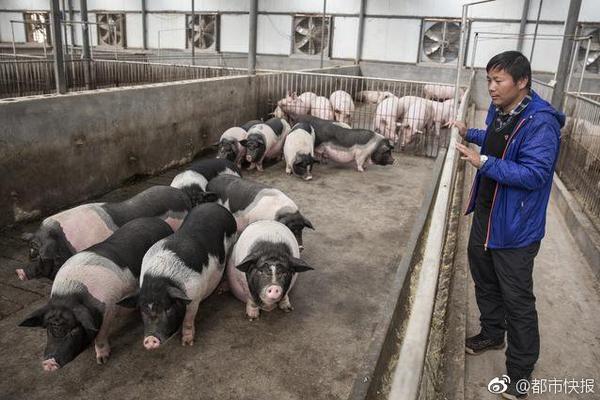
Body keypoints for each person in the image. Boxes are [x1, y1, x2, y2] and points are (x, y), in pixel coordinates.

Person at [448, 51, 565, 400]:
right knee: (483, 277)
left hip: (515, 225)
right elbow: (501, 143)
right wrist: (471, 133)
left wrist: (482, 162)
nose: (491, 87)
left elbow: (534, 174)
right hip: (488, 212)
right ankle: (492, 333)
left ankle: (520, 373)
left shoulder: (540, 123)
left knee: (517, 298)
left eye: (498, 81)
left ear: (522, 81)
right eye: (489, 80)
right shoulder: (501, 111)